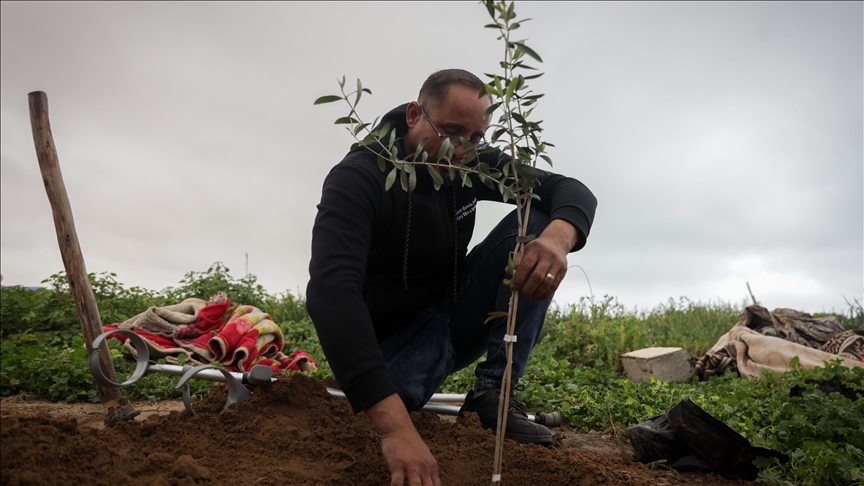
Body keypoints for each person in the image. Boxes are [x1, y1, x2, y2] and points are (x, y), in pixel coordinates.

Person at [307, 69, 597, 486]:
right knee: (399, 400)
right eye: (451, 132)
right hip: (394, 347)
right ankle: (395, 397)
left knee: (536, 220)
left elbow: (570, 190)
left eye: (476, 137)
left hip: (451, 315)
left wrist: (557, 239)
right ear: (413, 114)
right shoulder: (359, 177)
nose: (462, 149)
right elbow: (332, 294)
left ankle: (492, 395)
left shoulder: (470, 163)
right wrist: (395, 429)